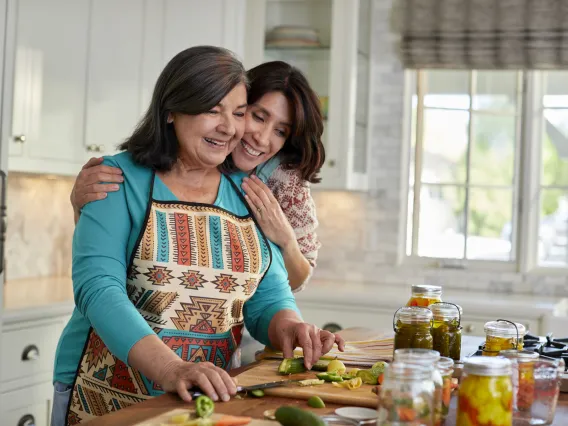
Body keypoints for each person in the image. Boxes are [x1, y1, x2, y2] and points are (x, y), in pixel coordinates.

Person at [52, 46, 343, 426]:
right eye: (212, 110)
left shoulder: (250, 192)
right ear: (171, 110)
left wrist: (291, 328)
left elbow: (268, 296)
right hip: (104, 395)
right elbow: (98, 289)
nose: (229, 127)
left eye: (238, 113)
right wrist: (172, 368)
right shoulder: (115, 178)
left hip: (203, 398)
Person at [70, 61, 323, 292]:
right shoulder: (147, 170)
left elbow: (289, 286)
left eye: (280, 131)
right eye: (257, 117)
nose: (263, 138)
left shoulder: (285, 183)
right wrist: (81, 205)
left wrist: (287, 241)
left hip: (240, 318)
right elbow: (105, 262)